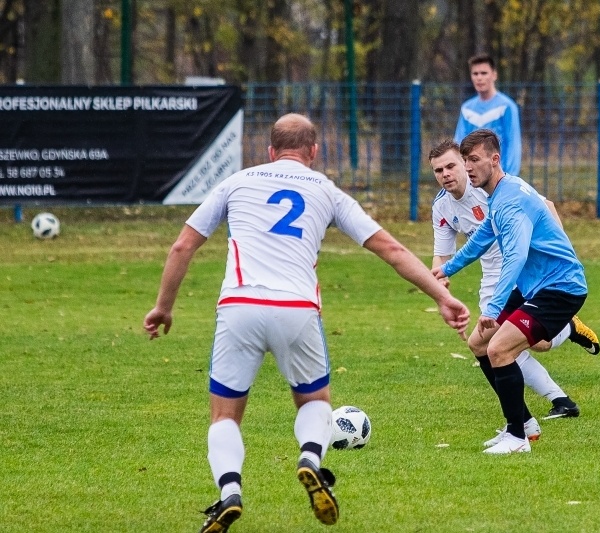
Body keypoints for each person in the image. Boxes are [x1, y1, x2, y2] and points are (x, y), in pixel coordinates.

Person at [143, 113, 470, 531]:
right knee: (315, 401)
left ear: (270, 151)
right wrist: (442, 296)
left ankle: (229, 493)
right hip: (297, 308)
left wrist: (164, 307)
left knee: (224, 415)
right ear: (314, 151)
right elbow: (390, 249)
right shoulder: (326, 191)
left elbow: (182, 246)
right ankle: (310, 459)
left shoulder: (236, 182)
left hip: (239, 306)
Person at [433, 129, 593, 455]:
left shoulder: (509, 202)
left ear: (494, 160)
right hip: (538, 285)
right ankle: (523, 424)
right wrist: (447, 269)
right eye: (466, 161)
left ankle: (517, 439)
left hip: (560, 288)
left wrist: (493, 309)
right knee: (479, 343)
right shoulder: (500, 194)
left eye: (474, 160)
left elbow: (516, 257)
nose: (468, 167)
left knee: (500, 349)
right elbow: (481, 239)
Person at [455, 53, 522, 177]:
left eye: (484, 73)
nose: (479, 78)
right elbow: (459, 144)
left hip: (498, 177)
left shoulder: (507, 107)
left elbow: (513, 145)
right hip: (472, 176)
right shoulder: (467, 109)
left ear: (494, 75)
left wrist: (509, 178)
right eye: (475, 74)